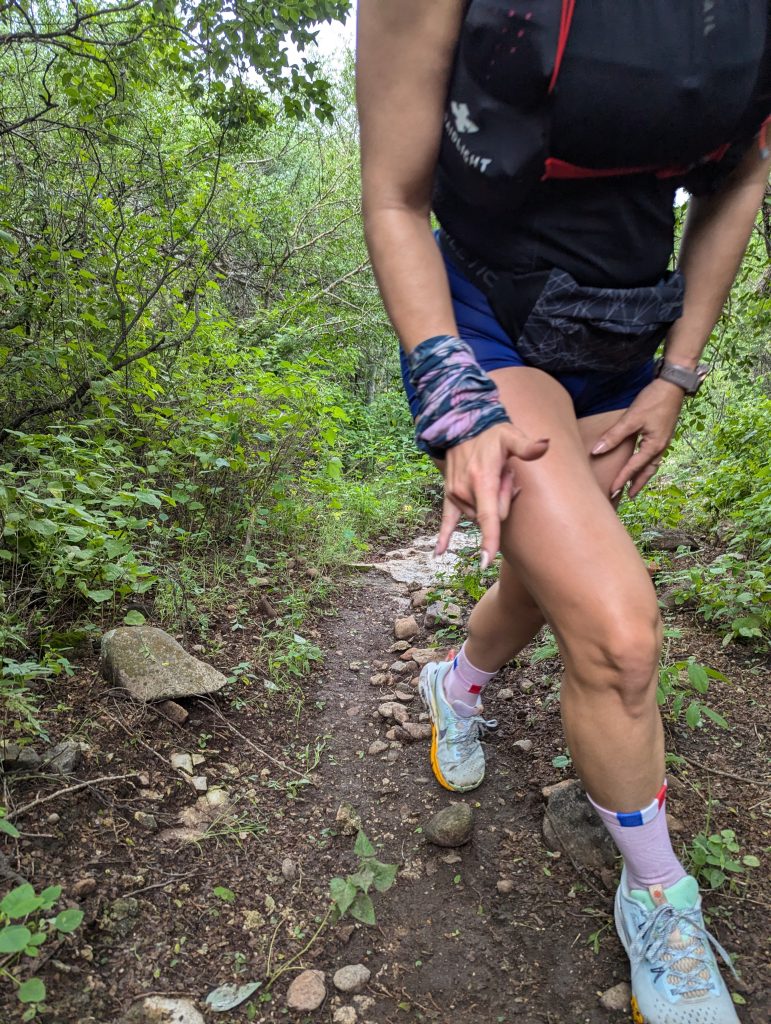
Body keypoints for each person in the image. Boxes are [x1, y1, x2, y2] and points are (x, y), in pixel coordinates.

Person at [356, 1, 770, 1021]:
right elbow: (397, 195)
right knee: (621, 635)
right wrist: (453, 392)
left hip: (624, 334)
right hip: (487, 321)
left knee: (548, 588)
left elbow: (742, 176)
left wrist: (676, 374)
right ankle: (660, 895)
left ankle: (456, 682)